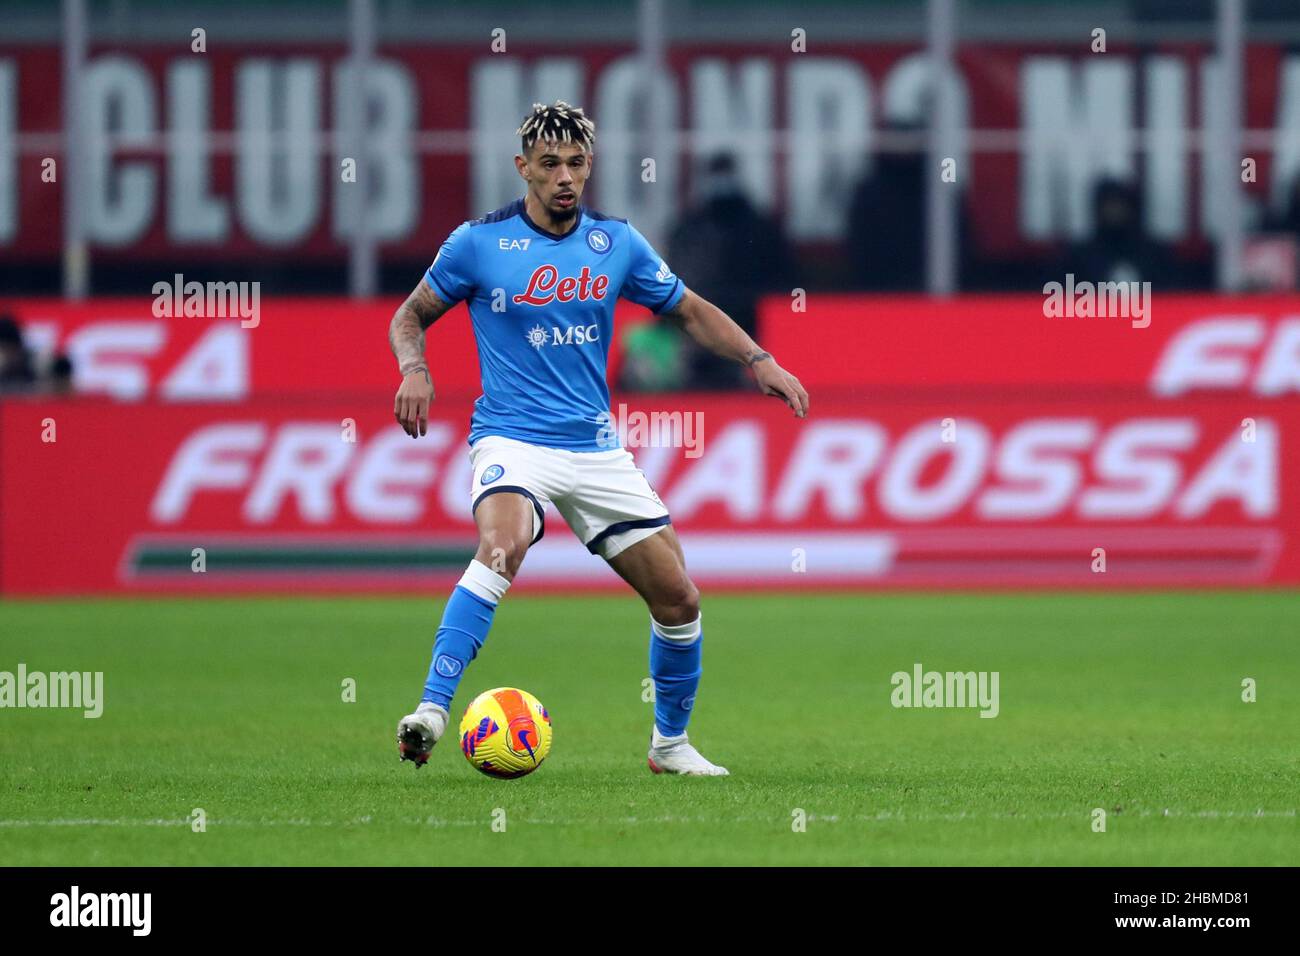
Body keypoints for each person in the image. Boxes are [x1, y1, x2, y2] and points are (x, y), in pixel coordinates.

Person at [387, 101, 809, 775]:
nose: (564, 177)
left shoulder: (616, 245)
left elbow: (690, 310)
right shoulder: (477, 243)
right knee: (501, 547)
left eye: (576, 164)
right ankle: (432, 711)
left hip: (595, 449)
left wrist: (759, 359)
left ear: (590, 167)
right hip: (513, 440)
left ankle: (669, 747)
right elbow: (411, 315)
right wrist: (415, 367)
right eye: (549, 164)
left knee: (679, 598)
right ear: (522, 167)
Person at [665, 153, 793, 389]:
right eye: (717, 176)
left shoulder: (759, 228)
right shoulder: (690, 229)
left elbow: (781, 279)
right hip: (700, 327)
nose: (721, 184)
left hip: (749, 323)